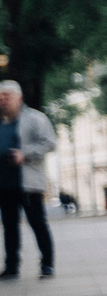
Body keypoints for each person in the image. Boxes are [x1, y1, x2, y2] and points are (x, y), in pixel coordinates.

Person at [0, 82, 58, 280]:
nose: (2, 100)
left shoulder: (34, 118)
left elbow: (49, 143)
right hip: (5, 183)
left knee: (37, 223)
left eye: (7, 96)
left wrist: (24, 154)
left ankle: (47, 264)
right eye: (0, 97)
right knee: (9, 226)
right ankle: (12, 266)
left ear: (19, 98)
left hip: (28, 183)